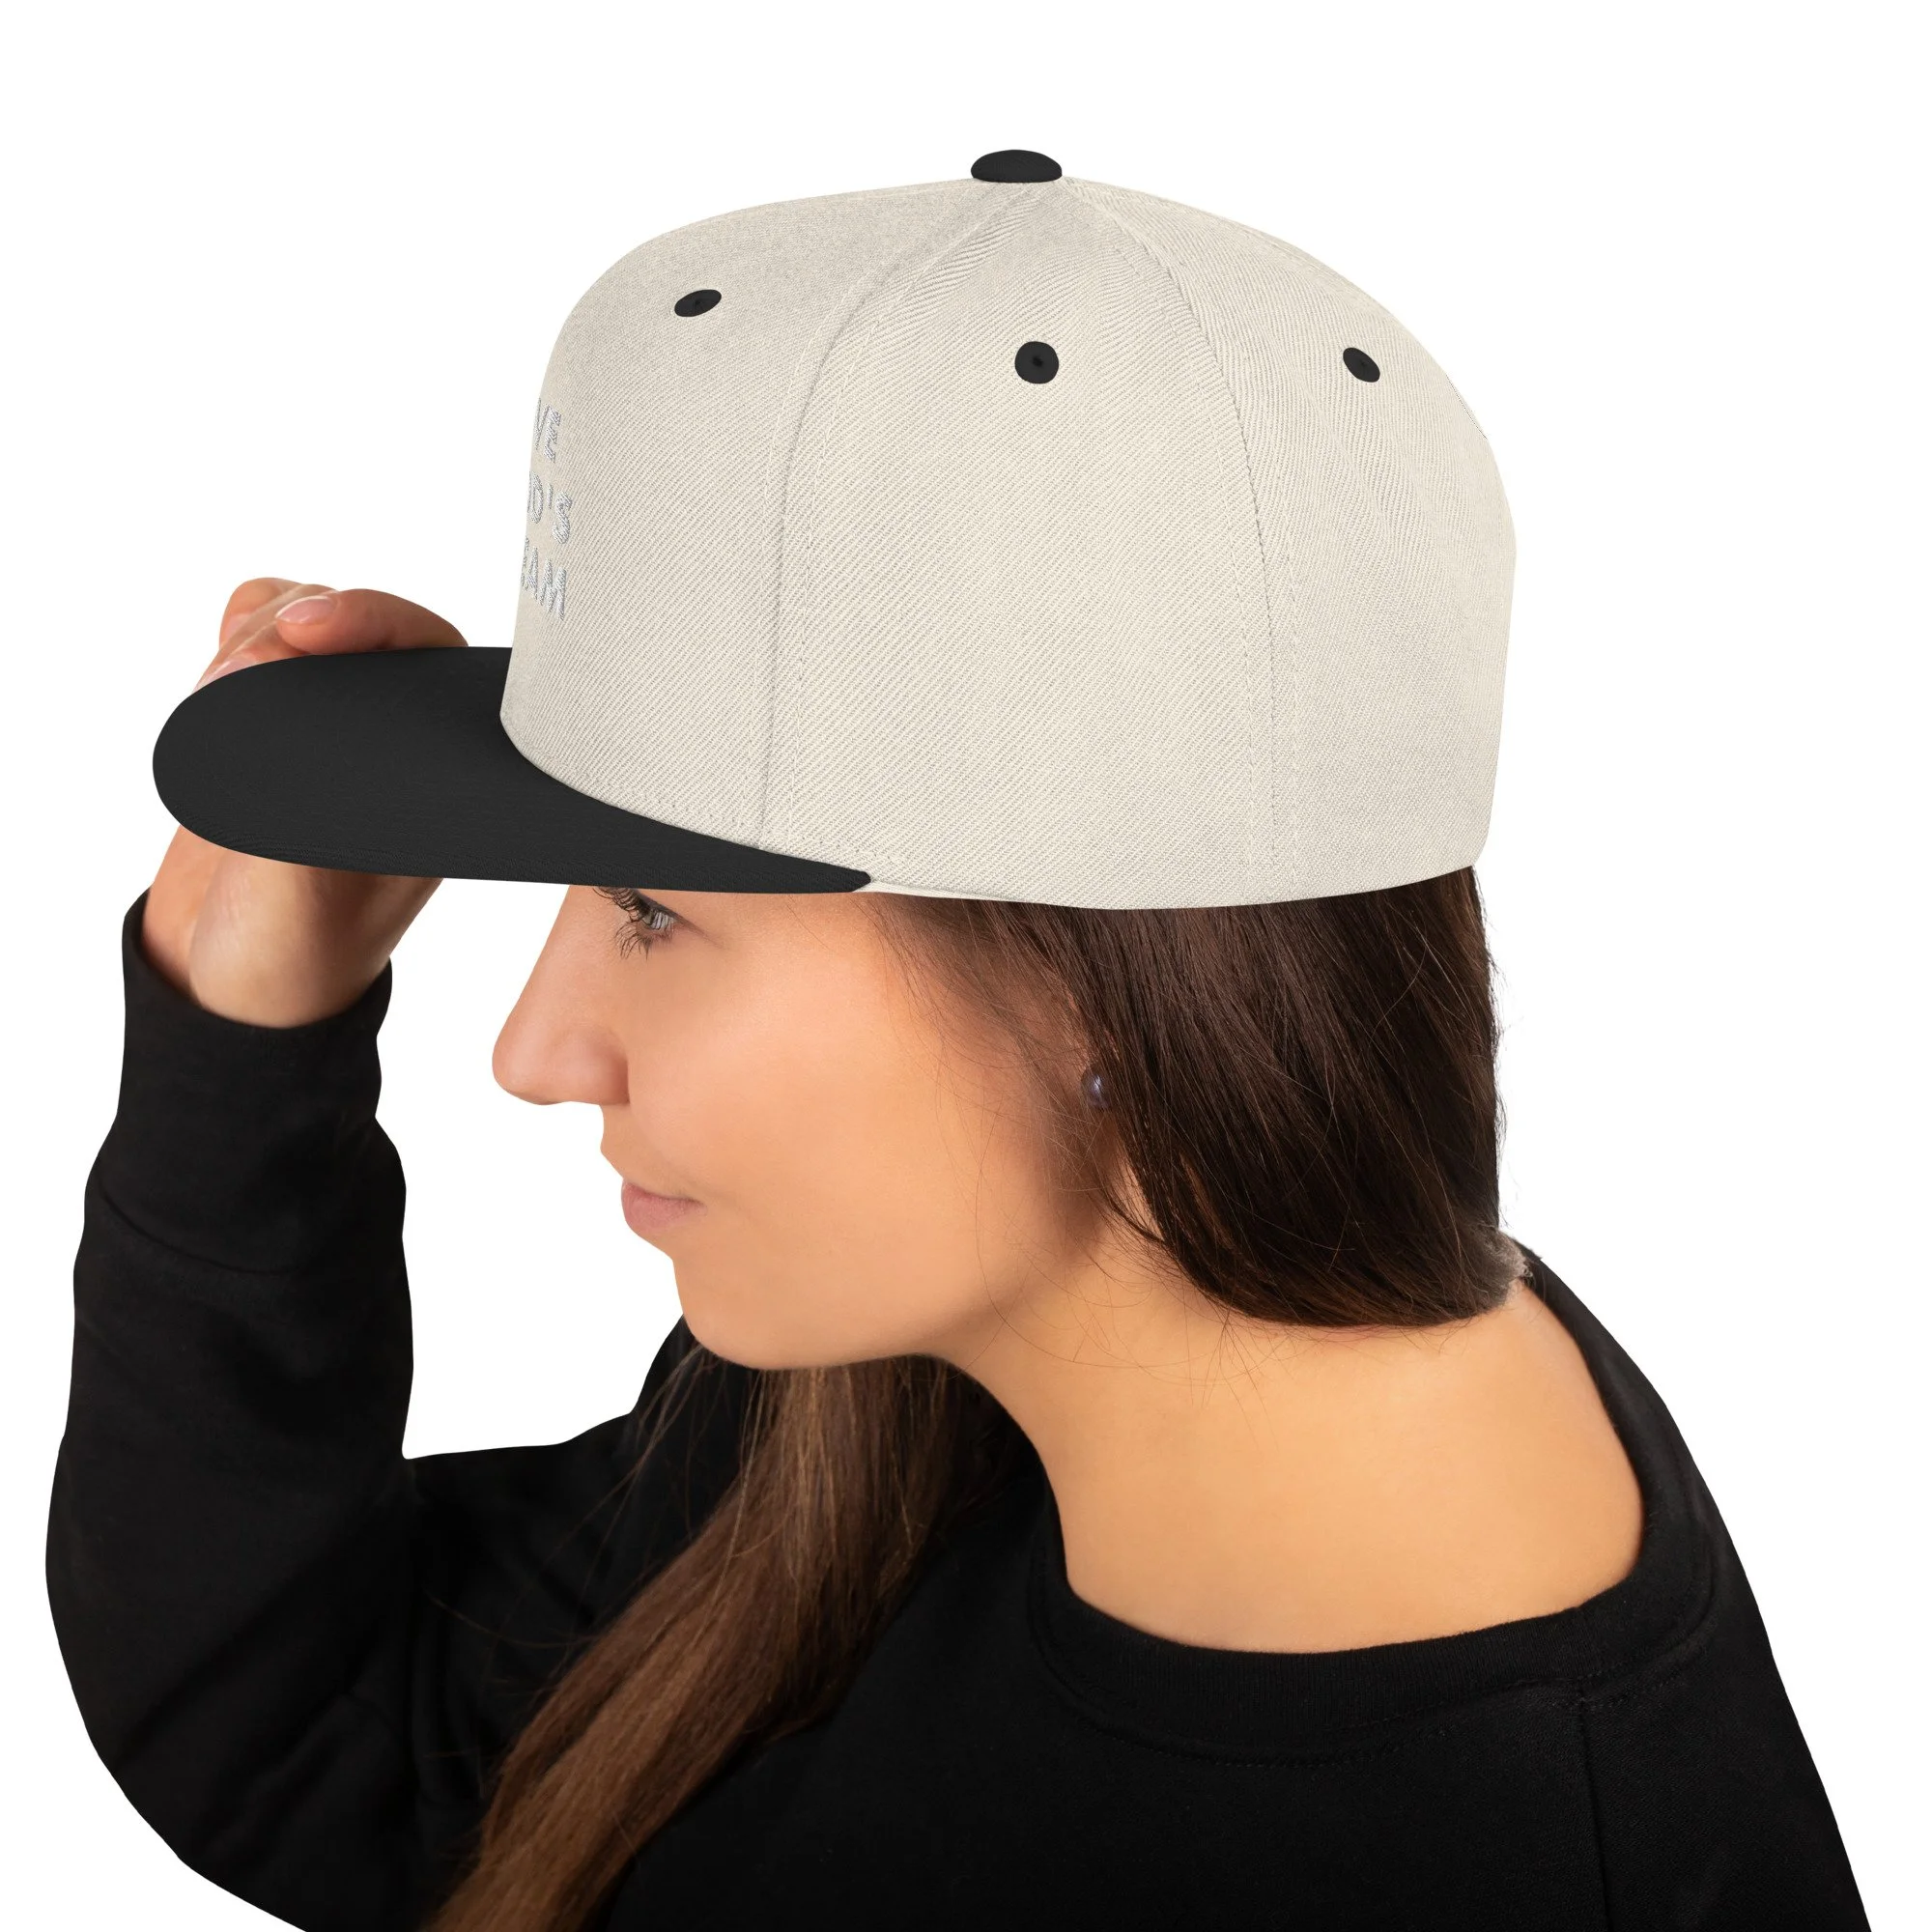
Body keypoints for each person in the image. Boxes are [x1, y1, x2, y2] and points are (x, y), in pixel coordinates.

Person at [49, 154, 1867, 1931]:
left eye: (653, 909)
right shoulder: (944, 1393)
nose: (537, 1049)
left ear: (1101, 987)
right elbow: (343, 1738)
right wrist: (240, 1038)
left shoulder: (1491, 1866)